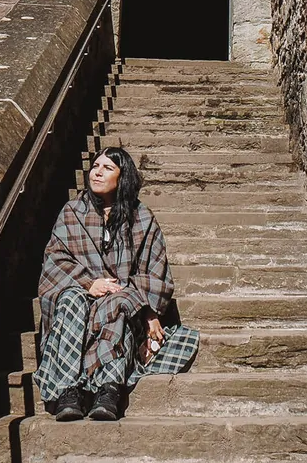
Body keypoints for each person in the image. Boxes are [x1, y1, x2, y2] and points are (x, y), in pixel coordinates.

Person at [34, 146, 199, 421]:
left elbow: (154, 270)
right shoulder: (72, 212)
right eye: (95, 166)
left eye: (107, 168)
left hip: (124, 300)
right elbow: (55, 259)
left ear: (123, 178)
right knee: (71, 300)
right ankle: (68, 391)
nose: (97, 172)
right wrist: (89, 283)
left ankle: (109, 390)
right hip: (79, 296)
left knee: (118, 301)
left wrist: (150, 313)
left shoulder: (142, 219)